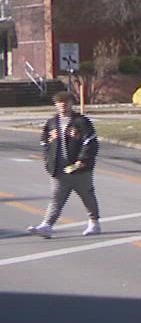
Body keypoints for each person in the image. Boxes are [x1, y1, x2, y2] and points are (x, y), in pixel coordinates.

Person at [27, 92, 102, 238]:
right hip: (58, 170)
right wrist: (48, 162)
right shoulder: (51, 123)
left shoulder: (81, 122)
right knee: (56, 198)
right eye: (59, 102)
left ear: (71, 104)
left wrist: (82, 161)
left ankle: (94, 223)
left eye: (66, 102)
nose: (63, 105)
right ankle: (47, 226)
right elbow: (45, 144)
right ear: (55, 105)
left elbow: (91, 143)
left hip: (80, 170)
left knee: (87, 196)